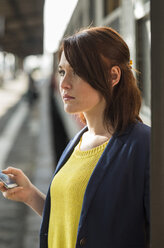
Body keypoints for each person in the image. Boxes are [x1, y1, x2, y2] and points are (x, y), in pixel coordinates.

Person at [0, 26, 150, 248]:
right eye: (62, 71)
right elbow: (75, 221)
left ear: (113, 76)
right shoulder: (78, 142)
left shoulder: (144, 146)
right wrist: (31, 195)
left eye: (77, 71)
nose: (63, 84)